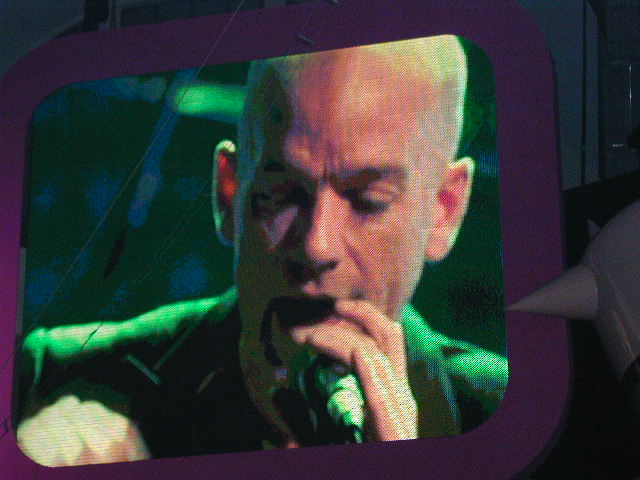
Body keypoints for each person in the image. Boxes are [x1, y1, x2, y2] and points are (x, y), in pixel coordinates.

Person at [15, 35, 508, 466]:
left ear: (444, 211)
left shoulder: (503, 411)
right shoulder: (59, 374)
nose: (316, 245)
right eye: (281, 192)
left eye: (367, 200)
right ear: (227, 192)